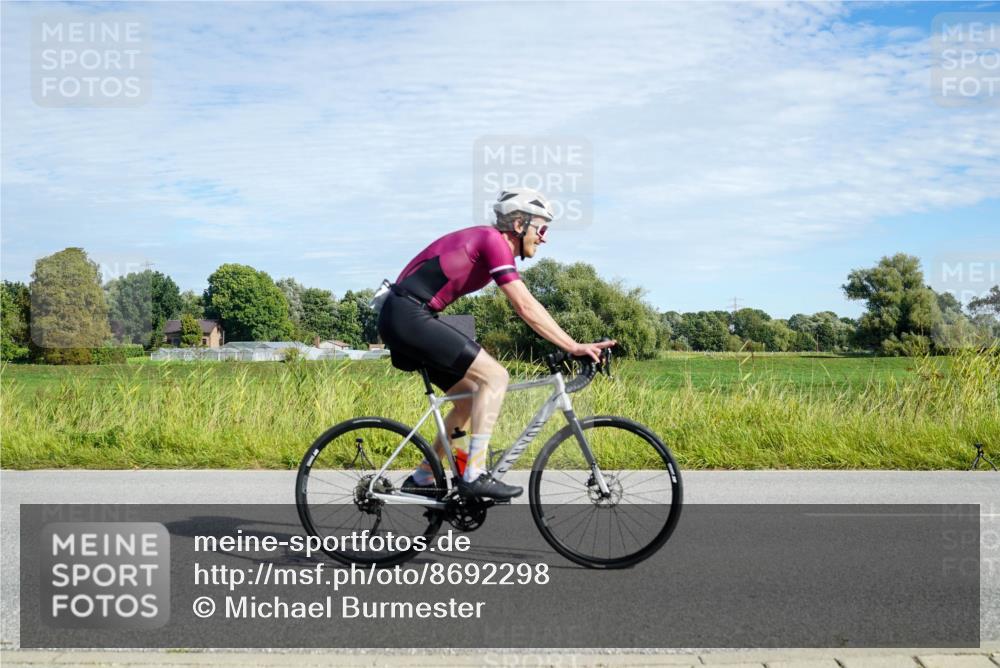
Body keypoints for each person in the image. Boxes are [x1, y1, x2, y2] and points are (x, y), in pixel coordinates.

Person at [377, 187, 616, 500]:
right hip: (407, 315)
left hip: (408, 315)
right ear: (519, 225)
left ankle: (423, 477)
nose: (544, 237)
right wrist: (573, 346)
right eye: (541, 228)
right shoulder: (493, 241)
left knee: (468, 399)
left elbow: (526, 307)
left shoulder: (489, 243)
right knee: (496, 376)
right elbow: (525, 306)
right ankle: (473, 473)